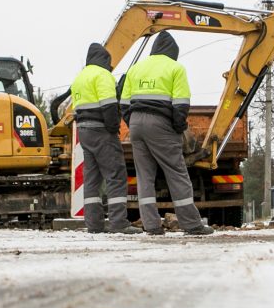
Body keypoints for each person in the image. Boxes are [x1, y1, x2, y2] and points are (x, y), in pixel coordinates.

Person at [120, 32, 213, 236]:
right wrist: (177, 128)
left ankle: (151, 225)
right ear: (173, 52)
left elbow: (124, 104)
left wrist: (133, 122)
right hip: (161, 123)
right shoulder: (175, 67)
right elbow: (181, 104)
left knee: (144, 176)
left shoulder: (135, 68)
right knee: (176, 172)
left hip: (135, 124)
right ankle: (192, 224)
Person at [70, 43, 142, 235]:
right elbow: (109, 106)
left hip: (84, 131)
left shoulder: (80, 77)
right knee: (115, 175)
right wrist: (113, 127)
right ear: (105, 60)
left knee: (92, 179)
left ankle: (94, 224)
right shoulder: (103, 75)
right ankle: (119, 223)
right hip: (101, 131)